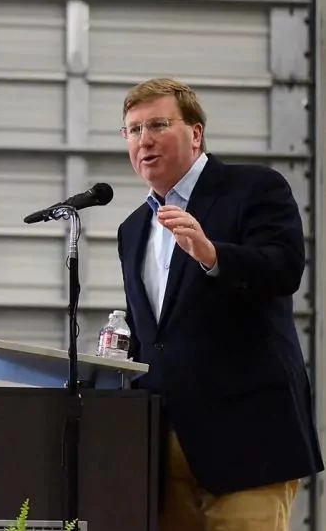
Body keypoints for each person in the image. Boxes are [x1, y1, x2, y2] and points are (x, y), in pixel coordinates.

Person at [115, 77, 324, 531]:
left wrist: (213, 256)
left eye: (158, 125)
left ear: (195, 134)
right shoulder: (132, 229)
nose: (143, 140)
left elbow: (284, 269)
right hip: (163, 452)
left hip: (248, 439)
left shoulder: (254, 188)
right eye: (133, 129)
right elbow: (153, 334)